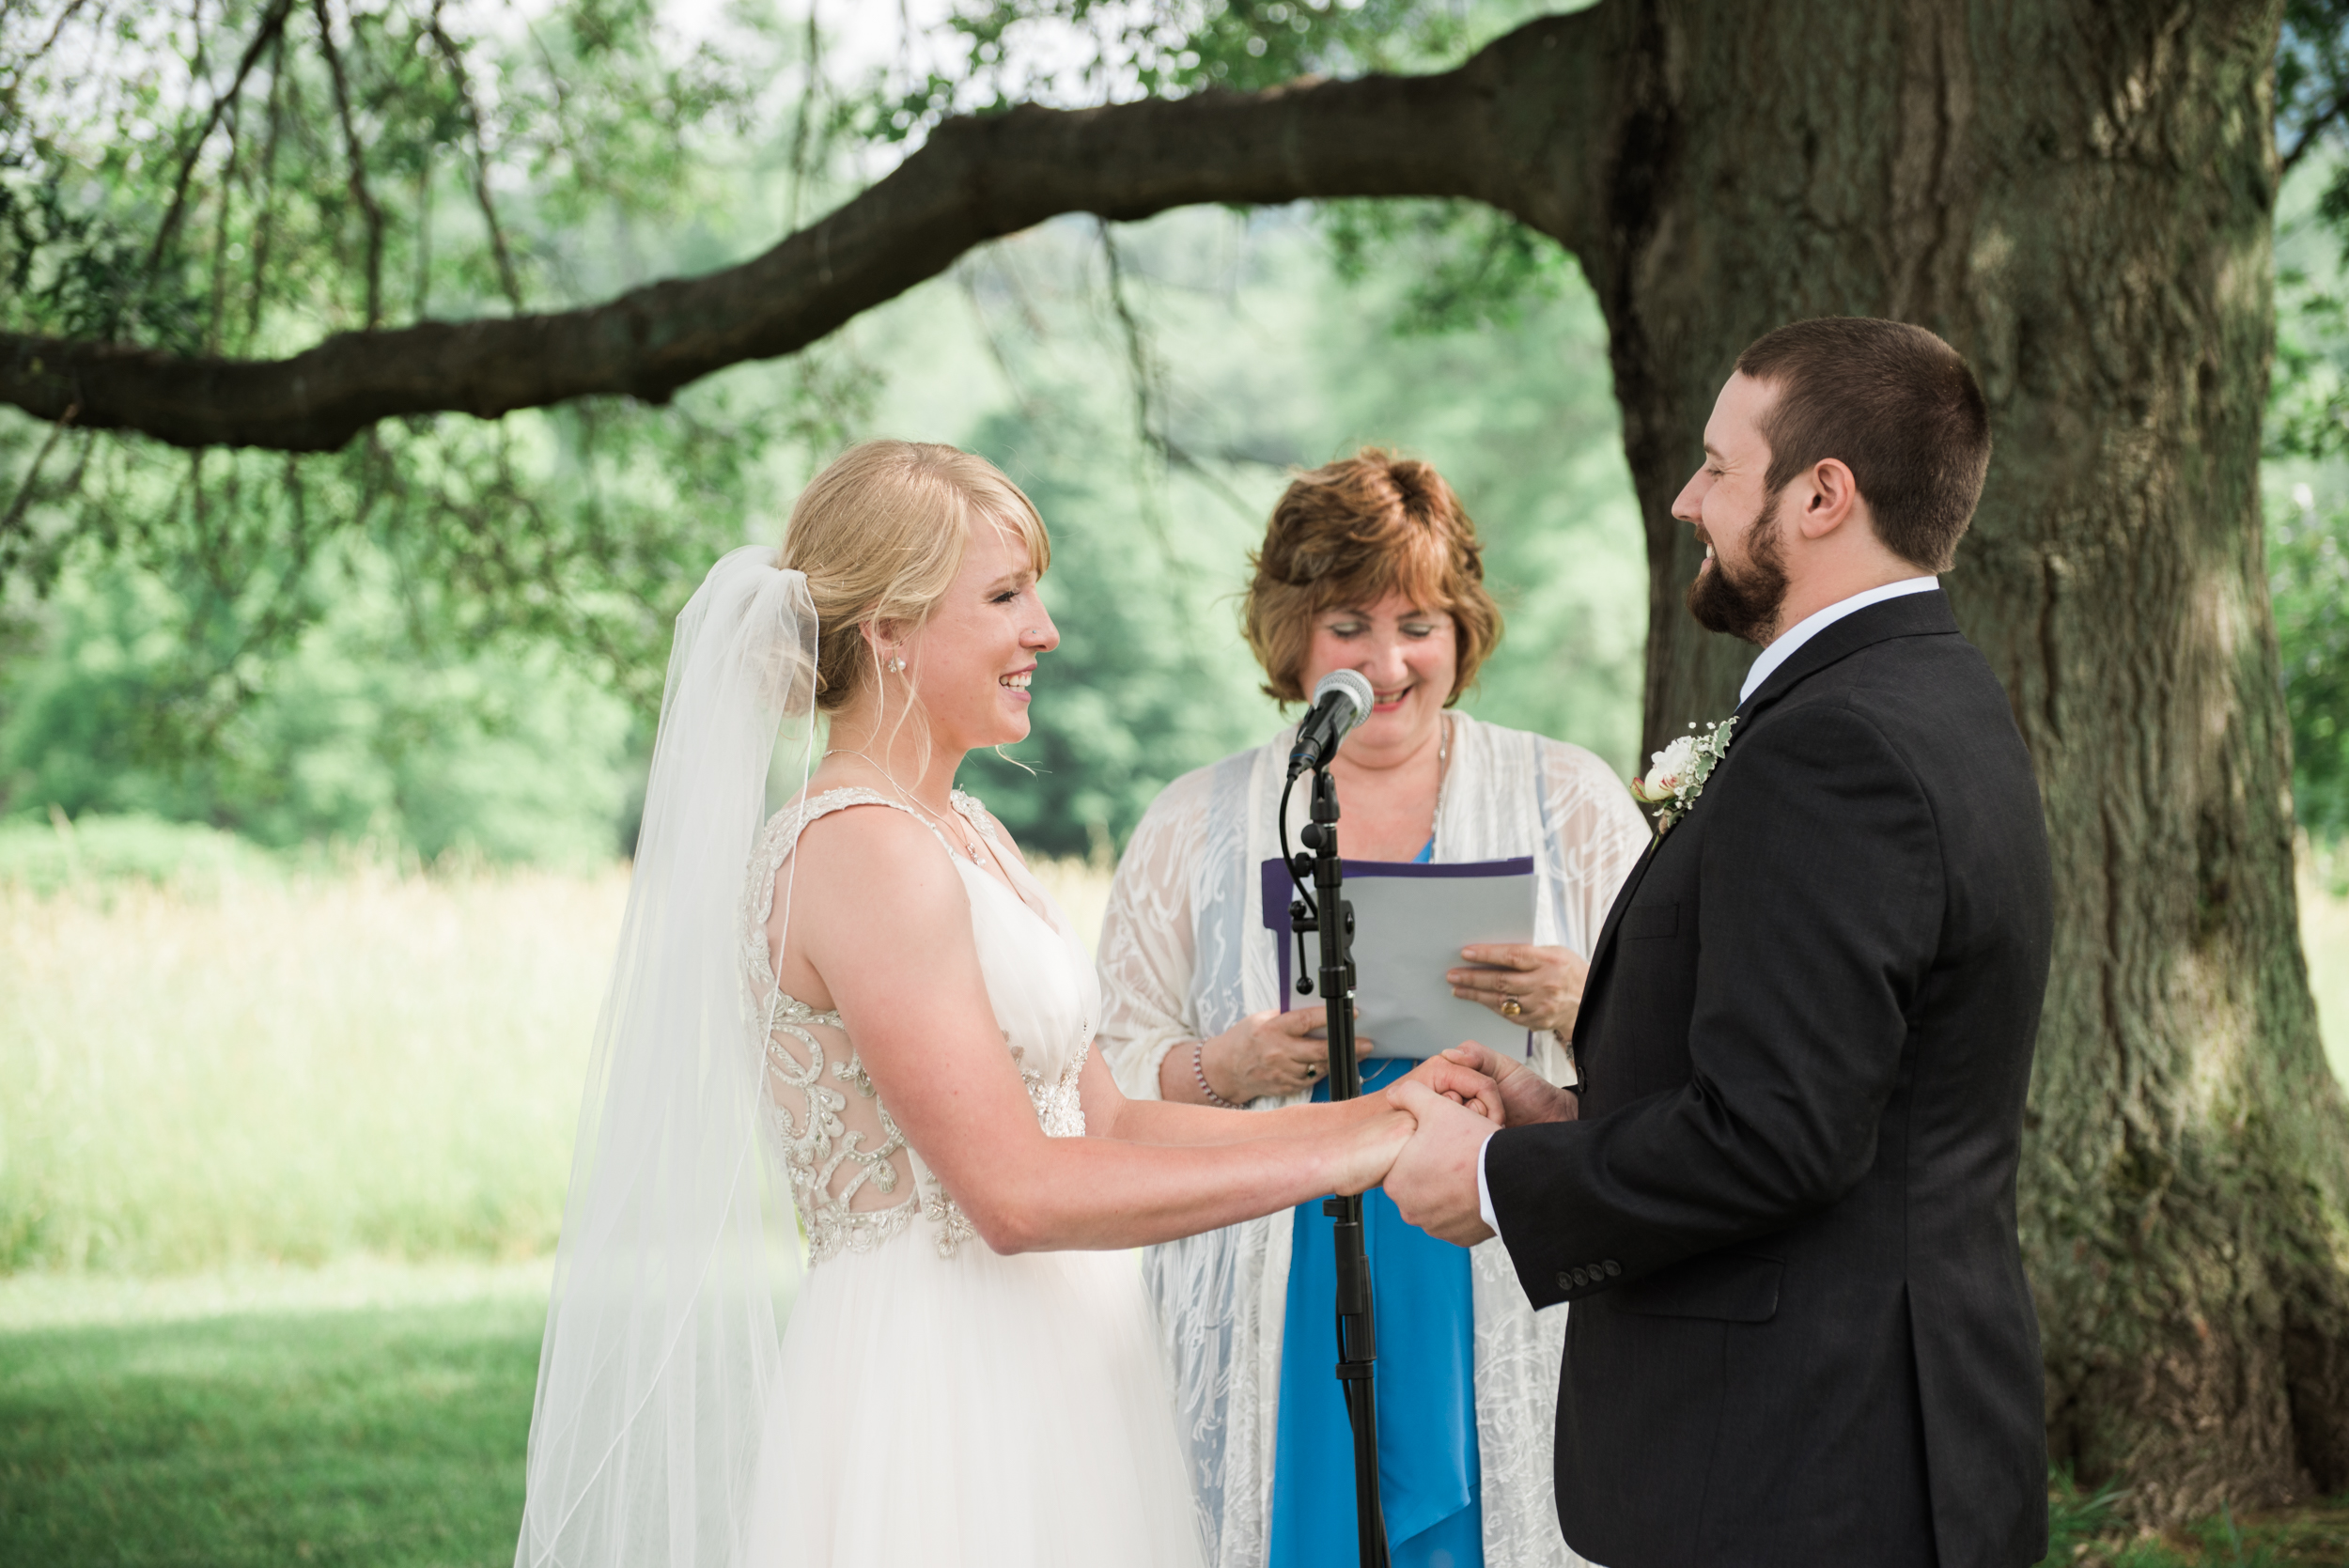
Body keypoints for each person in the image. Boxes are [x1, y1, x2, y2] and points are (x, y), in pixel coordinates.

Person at [511, 439, 1501, 1568]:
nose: (1045, 630)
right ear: (887, 630)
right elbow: (1016, 1192)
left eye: (1035, 590)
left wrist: (1381, 1112)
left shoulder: (964, 829)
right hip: (941, 1382)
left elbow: (1109, 1121)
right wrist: (1354, 1154)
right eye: (1003, 596)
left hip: (1063, 1356)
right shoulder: (861, 852)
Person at [1385, 318, 2055, 1568]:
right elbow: (1847, 1085)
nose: (1688, 499)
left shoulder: (1834, 747)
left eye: (1715, 465)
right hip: (1888, 1435)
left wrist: (1490, 1181)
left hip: (1803, 1471)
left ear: (1819, 495)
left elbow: (1781, 1134)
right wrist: (1577, 1117)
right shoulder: (1941, 696)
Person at [1096, 450, 1650, 1568]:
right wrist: (1233, 1064)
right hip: (1275, 1258)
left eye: (1419, 622)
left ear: (1462, 631)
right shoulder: (1190, 821)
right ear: (1292, 630)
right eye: (1349, 623)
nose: (1386, 662)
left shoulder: (1569, 798)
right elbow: (1105, 1069)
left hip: (1487, 1249)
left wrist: (1583, 1002)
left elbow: (1687, 1048)